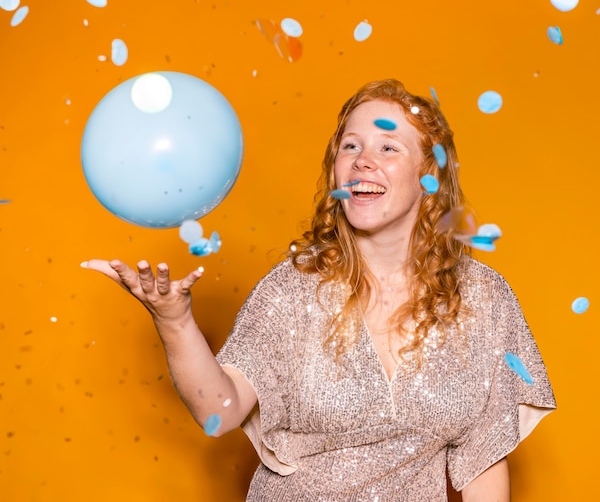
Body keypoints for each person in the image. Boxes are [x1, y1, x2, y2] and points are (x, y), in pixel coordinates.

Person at [83, 79, 556, 501]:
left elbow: (484, 464)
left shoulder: (482, 299)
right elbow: (220, 412)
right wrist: (175, 321)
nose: (363, 161)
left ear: (428, 177)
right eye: (350, 147)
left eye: (388, 148)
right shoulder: (293, 290)